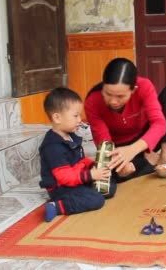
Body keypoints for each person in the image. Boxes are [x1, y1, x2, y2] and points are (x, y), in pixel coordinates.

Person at [84, 58, 166, 182]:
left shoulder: (144, 86)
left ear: (133, 90)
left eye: (120, 96)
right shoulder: (93, 101)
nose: (113, 101)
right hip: (119, 149)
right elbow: (105, 145)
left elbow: (159, 124)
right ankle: (149, 161)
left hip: (145, 140)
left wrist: (133, 150)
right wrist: (120, 163)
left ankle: (165, 156)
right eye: (108, 94)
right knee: (111, 174)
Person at [39, 87, 115, 222]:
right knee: (97, 200)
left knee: (109, 186)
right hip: (62, 188)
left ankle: (88, 191)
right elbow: (64, 177)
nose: (80, 119)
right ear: (57, 117)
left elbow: (80, 160)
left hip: (76, 180)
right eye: (76, 116)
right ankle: (57, 206)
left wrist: (93, 164)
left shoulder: (71, 136)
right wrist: (91, 175)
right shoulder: (53, 147)